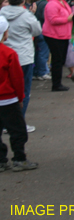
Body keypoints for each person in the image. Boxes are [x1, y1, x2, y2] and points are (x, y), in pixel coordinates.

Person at [0, 0, 42, 131]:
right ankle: (19, 123)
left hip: (4, 55)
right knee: (23, 91)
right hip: (23, 57)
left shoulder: (1, 13)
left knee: (5, 90)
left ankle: (5, 123)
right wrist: (33, 15)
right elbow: (37, 31)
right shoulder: (27, 15)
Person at [0, 16, 38, 172]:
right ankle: (19, 158)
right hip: (8, 99)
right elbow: (17, 78)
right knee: (18, 130)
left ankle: (1, 160)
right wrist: (21, 97)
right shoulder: (9, 53)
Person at [42, 0, 74, 92]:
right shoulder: (52, 4)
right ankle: (56, 84)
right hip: (54, 35)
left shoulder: (63, 2)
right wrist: (68, 19)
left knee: (60, 60)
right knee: (57, 60)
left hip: (63, 35)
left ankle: (58, 83)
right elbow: (53, 20)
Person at [32, 0, 51, 81]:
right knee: (43, 53)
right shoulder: (47, 4)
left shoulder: (37, 3)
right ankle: (42, 72)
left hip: (37, 31)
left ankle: (36, 72)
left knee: (37, 52)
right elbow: (46, 17)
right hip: (43, 30)